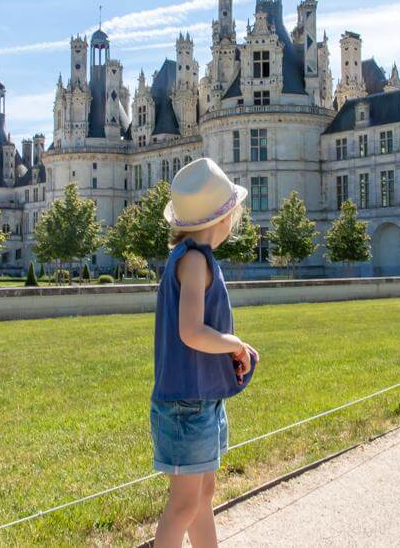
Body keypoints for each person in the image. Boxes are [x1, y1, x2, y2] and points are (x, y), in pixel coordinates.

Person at [151, 157, 260, 548]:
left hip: (201, 399)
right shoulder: (194, 261)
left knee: (202, 495)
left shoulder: (192, 258)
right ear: (224, 217)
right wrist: (235, 344)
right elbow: (191, 332)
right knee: (183, 504)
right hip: (187, 404)